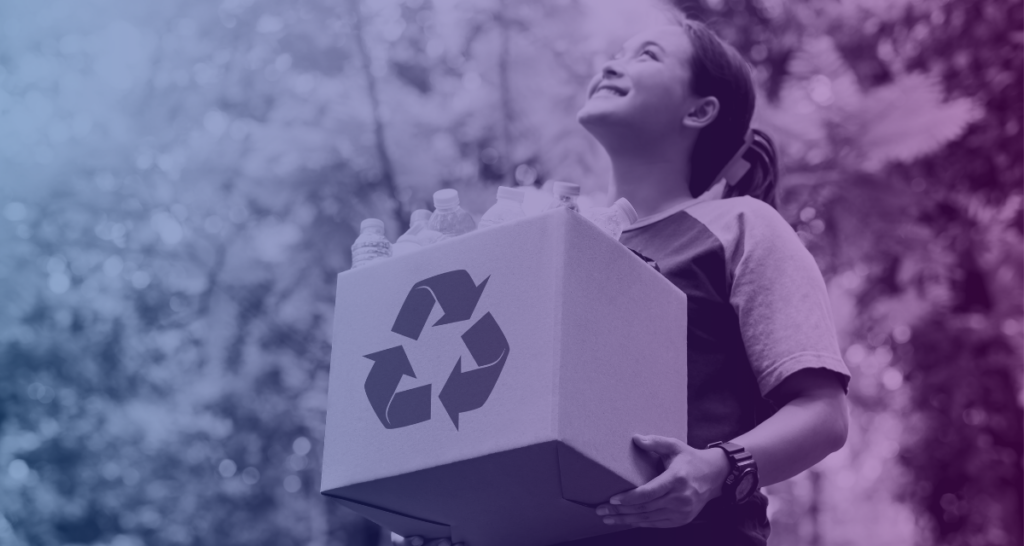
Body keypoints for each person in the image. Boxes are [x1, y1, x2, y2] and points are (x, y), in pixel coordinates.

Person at [399, 9, 851, 546]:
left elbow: (823, 413)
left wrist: (715, 470)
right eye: (614, 55)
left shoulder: (742, 226)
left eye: (646, 56)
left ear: (700, 110)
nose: (612, 66)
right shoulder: (563, 249)